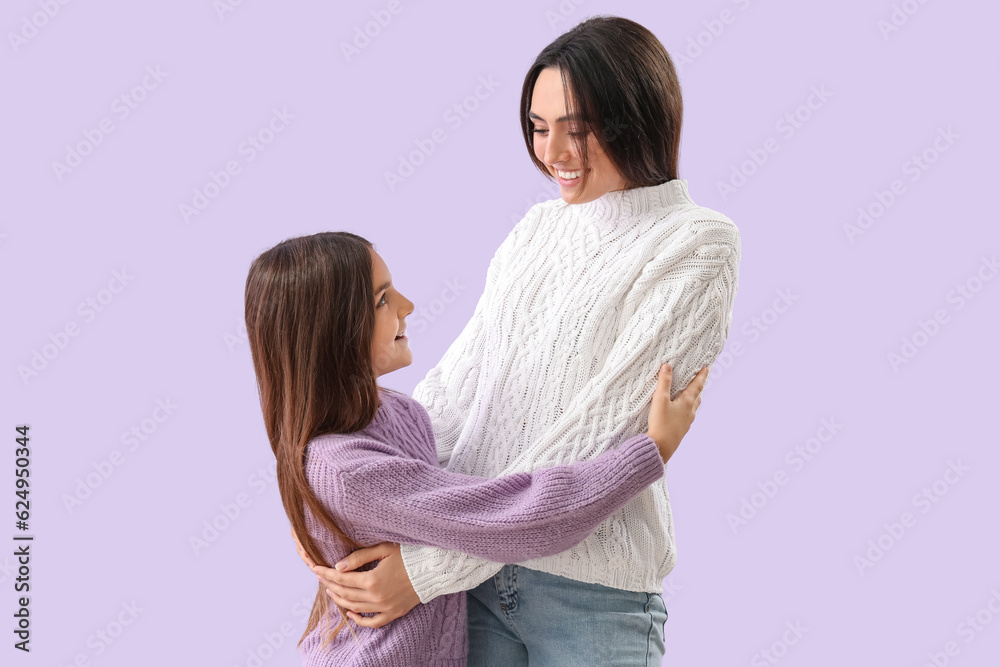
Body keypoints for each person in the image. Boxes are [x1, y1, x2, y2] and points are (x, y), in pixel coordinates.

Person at [306, 15, 742, 665]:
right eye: (539, 129)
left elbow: (601, 436)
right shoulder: (534, 232)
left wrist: (425, 569)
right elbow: (454, 400)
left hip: (589, 598)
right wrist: (344, 525)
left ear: (638, 117)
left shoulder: (697, 243)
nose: (553, 154)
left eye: (579, 128)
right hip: (474, 593)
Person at [244, 231, 709, 665]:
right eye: (383, 299)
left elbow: (440, 486)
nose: (407, 305)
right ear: (333, 332)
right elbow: (516, 516)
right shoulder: (345, 468)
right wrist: (651, 450)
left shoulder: (386, 414)